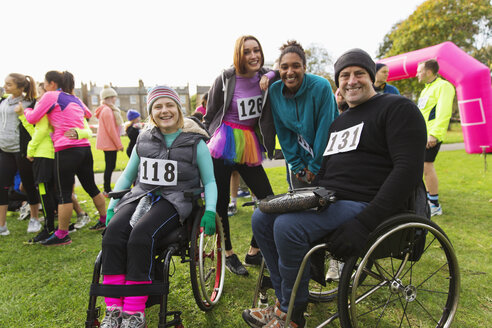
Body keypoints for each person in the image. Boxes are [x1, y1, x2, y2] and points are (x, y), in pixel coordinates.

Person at [242, 48, 427, 328]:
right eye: (344, 76)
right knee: (263, 218)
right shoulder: (340, 122)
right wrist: (305, 199)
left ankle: (293, 314)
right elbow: (326, 172)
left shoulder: (398, 109)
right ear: (338, 82)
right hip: (331, 199)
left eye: (359, 74)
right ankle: (283, 302)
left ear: (372, 77)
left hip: (367, 203)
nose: (351, 81)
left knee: (287, 227)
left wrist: (365, 223)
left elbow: (408, 171)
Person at [99, 86, 217, 328]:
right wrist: (113, 205)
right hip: (141, 195)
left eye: (170, 105)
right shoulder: (144, 139)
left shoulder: (196, 143)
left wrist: (210, 211)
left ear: (178, 109)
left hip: (175, 200)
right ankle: (113, 308)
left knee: (141, 235)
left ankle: (134, 312)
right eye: (158, 106)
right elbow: (127, 175)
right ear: (151, 112)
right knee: (112, 234)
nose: (165, 111)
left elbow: (210, 181)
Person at [204, 35, 278, 275]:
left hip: (248, 142)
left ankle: (254, 252)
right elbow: (211, 113)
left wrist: (270, 75)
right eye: (247, 51)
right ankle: (228, 253)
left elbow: (278, 69)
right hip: (223, 141)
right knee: (222, 202)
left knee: (268, 199)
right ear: (239, 54)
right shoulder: (226, 78)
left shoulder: (264, 76)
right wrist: (208, 139)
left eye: (257, 50)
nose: (254, 55)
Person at [23, 70, 107, 245]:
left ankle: (62, 235)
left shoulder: (50, 96)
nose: (43, 88)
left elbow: (32, 118)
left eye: (45, 84)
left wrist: (26, 110)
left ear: (52, 84)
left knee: (64, 194)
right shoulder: (74, 98)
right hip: (84, 148)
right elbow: (88, 114)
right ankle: (104, 220)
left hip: (65, 148)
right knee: (90, 186)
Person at [267, 40, 338, 190]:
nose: (290, 72)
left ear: (305, 68)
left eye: (296, 66)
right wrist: (297, 165)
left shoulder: (321, 86)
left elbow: (325, 129)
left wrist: (314, 166)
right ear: (279, 69)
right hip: (297, 161)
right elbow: (283, 132)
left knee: (328, 203)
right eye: (284, 67)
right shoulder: (274, 91)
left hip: (326, 157)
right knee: (300, 205)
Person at [0, 73, 42, 236]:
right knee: (2, 187)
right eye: (5, 84)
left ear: (21, 87)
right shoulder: (3, 102)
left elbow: (33, 128)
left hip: (21, 151)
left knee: (28, 184)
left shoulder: (29, 103)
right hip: (5, 151)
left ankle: (35, 219)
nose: (6, 87)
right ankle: (2, 225)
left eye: (9, 84)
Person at [416, 59, 455, 216]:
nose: (417, 74)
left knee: (427, 166)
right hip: (421, 135)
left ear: (429, 72)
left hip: (431, 136)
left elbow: (444, 111)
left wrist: (434, 134)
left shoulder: (443, 86)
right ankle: (426, 198)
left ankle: (434, 204)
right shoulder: (426, 89)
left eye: (420, 71)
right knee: (421, 167)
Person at [95, 85, 124, 196]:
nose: (115, 99)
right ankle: (107, 190)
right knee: (110, 166)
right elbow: (111, 130)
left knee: (110, 166)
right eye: (114, 97)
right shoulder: (107, 111)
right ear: (109, 97)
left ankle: (107, 189)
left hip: (108, 143)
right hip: (109, 144)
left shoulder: (106, 110)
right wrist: (119, 145)